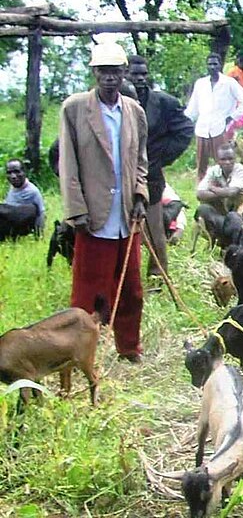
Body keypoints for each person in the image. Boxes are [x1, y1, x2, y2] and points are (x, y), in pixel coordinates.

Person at [59, 42, 149, 363]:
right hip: (93, 215)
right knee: (88, 291)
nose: (109, 78)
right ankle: (79, 352)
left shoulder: (134, 112)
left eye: (115, 71)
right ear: (94, 72)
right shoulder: (74, 109)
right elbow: (68, 164)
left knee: (131, 290)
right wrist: (76, 209)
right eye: (103, 71)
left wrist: (140, 195)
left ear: (124, 72)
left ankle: (129, 348)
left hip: (126, 214)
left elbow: (141, 160)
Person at [126, 54, 193, 277]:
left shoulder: (164, 103)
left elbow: (184, 130)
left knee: (155, 230)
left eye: (144, 74)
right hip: (119, 177)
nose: (140, 79)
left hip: (151, 177)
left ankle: (157, 276)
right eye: (135, 74)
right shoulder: (115, 100)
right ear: (126, 74)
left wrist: (163, 157)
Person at [184, 53, 243, 180]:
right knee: (201, 166)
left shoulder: (229, 83)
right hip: (202, 130)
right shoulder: (200, 84)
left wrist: (231, 117)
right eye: (209, 64)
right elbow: (192, 109)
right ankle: (202, 192)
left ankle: (224, 192)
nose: (212, 67)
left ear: (220, 65)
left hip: (220, 129)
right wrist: (182, 122)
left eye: (215, 64)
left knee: (223, 164)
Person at [196, 144, 243, 214]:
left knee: (239, 195)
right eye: (223, 159)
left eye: (230, 159)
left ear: (235, 159)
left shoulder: (240, 170)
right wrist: (223, 194)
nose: (227, 162)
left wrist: (213, 188)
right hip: (222, 209)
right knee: (203, 208)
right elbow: (200, 194)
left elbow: (232, 192)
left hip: (242, 211)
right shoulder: (213, 171)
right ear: (218, 161)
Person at [4, 158, 45, 232]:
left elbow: (41, 213)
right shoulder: (11, 189)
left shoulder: (32, 191)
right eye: (9, 173)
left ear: (24, 172)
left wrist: (39, 235)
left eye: (17, 172)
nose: (13, 176)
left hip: (23, 225)